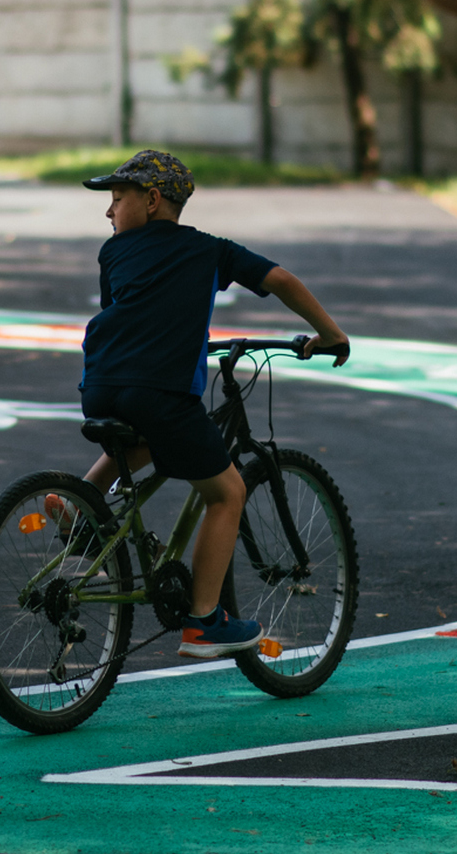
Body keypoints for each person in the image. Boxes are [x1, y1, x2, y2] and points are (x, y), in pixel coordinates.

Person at [69, 149, 349, 659]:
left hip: (100, 386)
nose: (108, 212)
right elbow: (280, 279)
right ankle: (203, 622)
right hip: (160, 392)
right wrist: (329, 334)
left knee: (144, 434)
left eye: (116, 200)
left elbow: (128, 314)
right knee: (227, 492)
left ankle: (78, 505)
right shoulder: (206, 249)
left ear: (152, 200)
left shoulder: (114, 254)